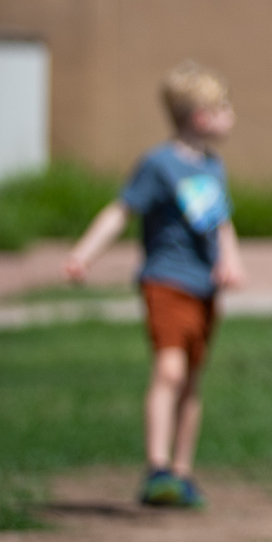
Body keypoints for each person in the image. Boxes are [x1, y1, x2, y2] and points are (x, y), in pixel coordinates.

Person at [64, 63, 246, 508]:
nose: (231, 115)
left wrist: (231, 261)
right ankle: (156, 467)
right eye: (223, 107)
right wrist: (84, 253)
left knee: (191, 380)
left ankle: (181, 474)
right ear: (200, 116)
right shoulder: (158, 164)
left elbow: (221, 224)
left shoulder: (211, 166)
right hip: (165, 280)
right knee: (170, 370)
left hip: (205, 288)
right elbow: (121, 211)